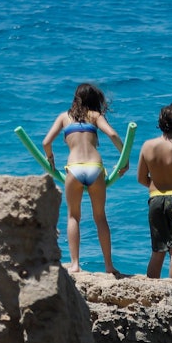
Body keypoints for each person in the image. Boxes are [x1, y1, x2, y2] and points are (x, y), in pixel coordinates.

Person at [42, 83, 125, 274]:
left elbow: (46, 142)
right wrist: (124, 158)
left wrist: (50, 157)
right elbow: (113, 134)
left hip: (74, 168)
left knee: (73, 216)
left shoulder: (64, 117)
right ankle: (109, 265)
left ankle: (75, 264)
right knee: (100, 217)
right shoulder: (95, 116)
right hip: (95, 167)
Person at [137, 104, 172, 279]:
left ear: (160, 123)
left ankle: (152, 285)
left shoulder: (147, 146)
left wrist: (157, 186)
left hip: (155, 200)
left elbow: (141, 178)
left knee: (158, 249)